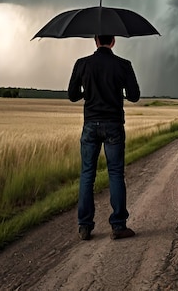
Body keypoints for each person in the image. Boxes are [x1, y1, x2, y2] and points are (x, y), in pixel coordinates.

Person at [68, 34, 140, 240]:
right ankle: (118, 226)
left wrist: (88, 91)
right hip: (114, 125)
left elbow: (72, 95)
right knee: (116, 173)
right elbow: (134, 95)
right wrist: (117, 91)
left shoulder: (82, 64)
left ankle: (84, 226)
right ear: (113, 41)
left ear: (95, 40)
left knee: (87, 174)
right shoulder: (123, 65)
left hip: (90, 124)